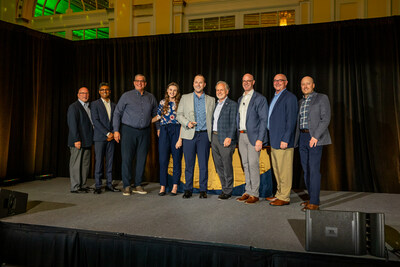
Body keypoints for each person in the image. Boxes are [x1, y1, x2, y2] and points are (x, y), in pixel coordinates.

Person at [113, 74, 158, 196]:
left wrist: (158, 129)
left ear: (145, 83)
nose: (140, 83)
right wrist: (116, 130)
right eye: (137, 81)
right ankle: (127, 186)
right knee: (127, 159)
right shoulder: (126, 96)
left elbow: (156, 114)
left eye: (142, 81)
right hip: (128, 131)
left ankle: (138, 184)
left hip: (145, 131)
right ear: (134, 83)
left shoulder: (151, 97)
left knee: (142, 159)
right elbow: (117, 113)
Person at [295, 76, 331, 211]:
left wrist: (315, 136)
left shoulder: (322, 98)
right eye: (303, 84)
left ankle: (315, 202)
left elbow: (325, 118)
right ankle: (311, 197)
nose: (305, 86)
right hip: (302, 137)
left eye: (308, 84)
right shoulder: (300, 102)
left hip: (315, 138)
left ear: (313, 85)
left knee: (314, 170)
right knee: (306, 170)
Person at [177, 74, 215, 199]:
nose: (198, 84)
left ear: (204, 84)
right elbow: (179, 115)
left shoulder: (211, 100)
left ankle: (203, 190)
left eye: (201, 82)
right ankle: (188, 189)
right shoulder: (185, 97)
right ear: (193, 84)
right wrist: (187, 123)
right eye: (196, 82)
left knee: (203, 164)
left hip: (204, 135)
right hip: (189, 135)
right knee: (189, 164)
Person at [236, 73, 269, 204]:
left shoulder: (260, 99)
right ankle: (248, 191)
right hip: (241, 135)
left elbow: (263, 120)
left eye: (249, 81)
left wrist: (260, 139)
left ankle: (255, 193)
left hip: (254, 137)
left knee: (253, 165)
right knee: (245, 164)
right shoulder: (240, 99)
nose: (246, 83)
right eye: (244, 81)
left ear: (253, 82)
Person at [266, 74, 298, 206]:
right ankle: (279, 194)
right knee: (277, 169)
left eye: (281, 81)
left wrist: (286, 138)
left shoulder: (290, 98)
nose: (278, 82)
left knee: (284, 170)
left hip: (283, 141)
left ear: (286, 82)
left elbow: (291, 121)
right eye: (275, 80)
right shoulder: (275, 96)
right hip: (274, 139)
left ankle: (284, 197)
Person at [153, 82, 183, 196]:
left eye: (174, 90)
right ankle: (163, 186)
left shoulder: (180, 103)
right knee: (163, 160)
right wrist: (147, 122)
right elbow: (158, 117)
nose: (172, 92)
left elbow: (182, 121)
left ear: (177, 92)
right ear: (167, 90)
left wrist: (180, 138)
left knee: (176, 159)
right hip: (164, 130)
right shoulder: (162, 102)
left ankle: (175, 186)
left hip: (176, 130)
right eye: (170, 90)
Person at [91, 82, 120, 194]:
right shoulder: (94, 104)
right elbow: (95, 121)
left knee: (110, 162)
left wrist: (112, 133)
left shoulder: (114, 105)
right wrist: (107, 134)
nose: (105, 91)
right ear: (99, 92)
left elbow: (116, 120)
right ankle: (98, 186)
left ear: (110, 91)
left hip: (111, 138)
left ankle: (109, 184)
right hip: (99, 138)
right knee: (98, 162)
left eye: (107, 90)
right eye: (102, 90)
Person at [211, 81, 238, 200]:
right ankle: (224, 188)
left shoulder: (232, 104)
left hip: (226, 138)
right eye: (217, 90)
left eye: (221, 90)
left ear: (227, 91)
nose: (219, 92)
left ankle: (228, 190)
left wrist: (230, 137)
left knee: (227, 165)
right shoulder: (215, 105)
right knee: (219, 165)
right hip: (214, 137)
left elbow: (234, 123)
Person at [67, 87, 93, 193]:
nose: (85, 95)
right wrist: (76, 139)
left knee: (85, 164)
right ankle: (75, 186)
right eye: (82, 93)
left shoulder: (89, 106)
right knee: (76, 164)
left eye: (87, 93)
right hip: (77, 141)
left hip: (87, 140)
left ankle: (82, 184)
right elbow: (72, 125)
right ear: (78, 95)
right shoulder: (74, 107)